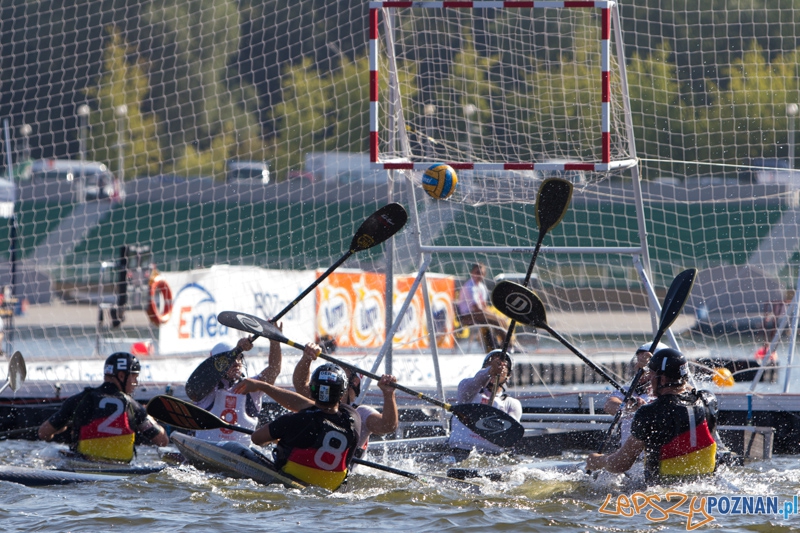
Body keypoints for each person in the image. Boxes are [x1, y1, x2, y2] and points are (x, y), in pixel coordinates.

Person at [587, 348, 719, 483]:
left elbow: (621, 464)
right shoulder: (708, 399)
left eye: (651, 375)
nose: (649, 380)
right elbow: (687, 392)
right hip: (704, 484)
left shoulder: (649, 413)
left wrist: (599, 460)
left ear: (661, 379)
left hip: (660, 490)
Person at [38, 352, 169, 462]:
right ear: (121, 376)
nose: (136, 382)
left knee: (49, 453)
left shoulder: (79, 400)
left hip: (82, 467)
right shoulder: (134, 407)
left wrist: (59, 429)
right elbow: (162, 441)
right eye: (134, 376)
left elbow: (43, 433)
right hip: (120, 471)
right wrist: (148, 417)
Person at [249, 363, 361, 491]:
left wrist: (278, 438)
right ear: (342, 393)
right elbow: (319, 410)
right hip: (332, 488)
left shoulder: (294, 420)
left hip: (290, 483)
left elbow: (256, 438)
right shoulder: (354, 419)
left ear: (312, 390)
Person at [291, 343, 398, 457]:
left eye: (340, 370)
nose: (333, 373)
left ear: (355, 381)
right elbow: (300, 384)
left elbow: (388, 426)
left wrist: (388, 394)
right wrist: (307, 358)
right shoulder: (319, 401)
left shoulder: (361, 414)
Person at [192, 332, 282, 445]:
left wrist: (274, 341)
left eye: (239, 357)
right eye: (231, 359)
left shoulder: (252, 386)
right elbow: (197, 383)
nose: (236, 362)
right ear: (215, 365)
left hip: (241, 454)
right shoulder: (204, 388)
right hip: (207, 447)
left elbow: (274, 369)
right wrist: (238, 348)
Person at [449, 349, 522, 460]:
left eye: (503, 366)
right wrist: (490, 371)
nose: (498, 368)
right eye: (492, 363)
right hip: (459, 452)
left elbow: (509, 436)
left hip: (492, 457)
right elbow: (477, 380)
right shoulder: (467, 390)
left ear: (508, 375)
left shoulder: (511, 404)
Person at [603, 342, 669, 444]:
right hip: (630, 456)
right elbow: (609, 405)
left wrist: (647, 409)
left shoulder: (669, 393)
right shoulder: (627, 391)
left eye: (645, 366)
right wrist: (628, 406)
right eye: (637, 363)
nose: (637, 368)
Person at [456, 263, 519, 353]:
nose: (479, 275)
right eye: (477, 272)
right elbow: (476, 308)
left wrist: (494, 315)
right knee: (495, 321)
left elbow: (484, 306)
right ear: (472, 273)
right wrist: (493, 316)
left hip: (478, 314)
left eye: (481, 273)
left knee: (502, 320)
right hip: (468, 316)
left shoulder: (481, 287)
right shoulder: (470, 286)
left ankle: (507, 345)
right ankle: (507, 346)